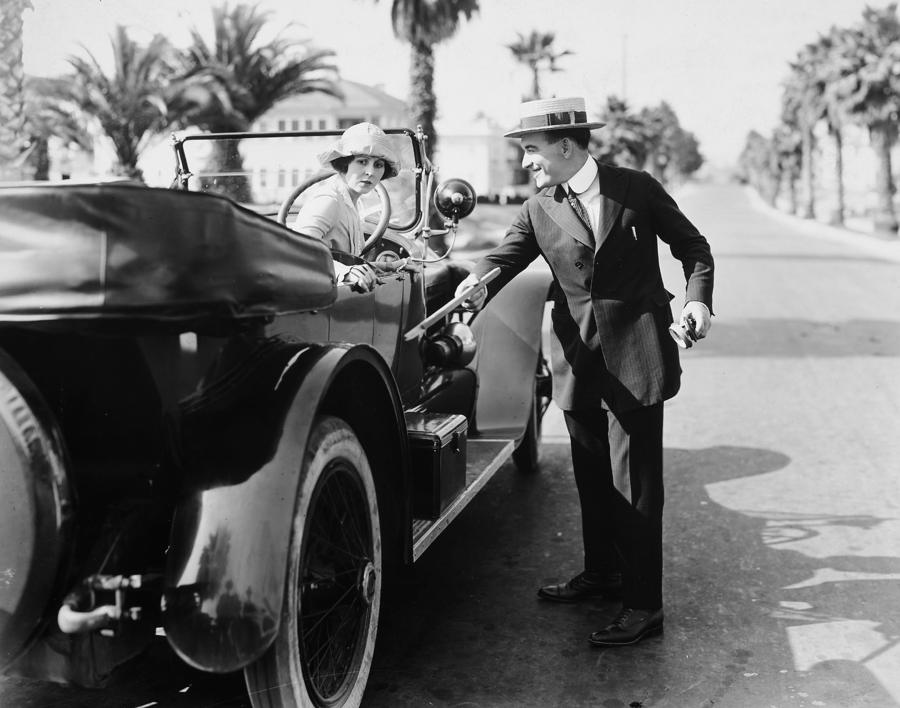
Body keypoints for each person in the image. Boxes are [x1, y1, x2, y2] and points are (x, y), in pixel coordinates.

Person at [455, 96, 714, 647]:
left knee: (636, 486)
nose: (526, 162)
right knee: (592, 476)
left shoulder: (636, 188)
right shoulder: (537, 205)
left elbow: (693, 248)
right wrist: (475, 282)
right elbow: (504, 258)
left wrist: (698, 302)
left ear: (566, 146)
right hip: (577, 360)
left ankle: (644, 605)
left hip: (638, 355)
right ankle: (602, 573)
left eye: (531, 150)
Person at [292, 122, 400, 292]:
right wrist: (346, 273)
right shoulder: (329, 200)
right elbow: (298, 251)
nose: (370, 172)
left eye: (378, 165)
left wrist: (390, 267)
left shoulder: (350, 202)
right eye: (362, 162)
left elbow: (346, 260)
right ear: (344, 164)